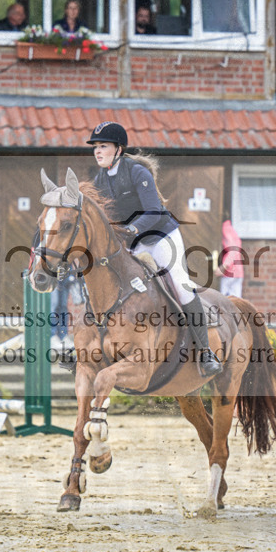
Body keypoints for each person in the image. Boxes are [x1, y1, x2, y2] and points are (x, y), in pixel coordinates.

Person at [88, 121, 222, 377]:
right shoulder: (100, 179)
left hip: (161, 236)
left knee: (181, 286)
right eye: (95, 147)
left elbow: (153, 211)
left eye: (103, 146)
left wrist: (132, 230)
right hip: (132, 240)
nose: (97, 151)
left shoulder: (137, 172)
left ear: (118, 149)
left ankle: (206, 353)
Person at [219, 217, 243, 298]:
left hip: (230, 272)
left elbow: (233, 249)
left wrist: (224, 266)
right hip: (237, 271)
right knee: (236, 301)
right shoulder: (230, 228)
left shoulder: (225, 228)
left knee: (223, 301)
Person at [51, 271, 74, 350]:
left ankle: (63, 335)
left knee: (63, 306)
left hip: (65, 274)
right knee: (54, 305)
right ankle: (52, 335)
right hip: (52, 274)